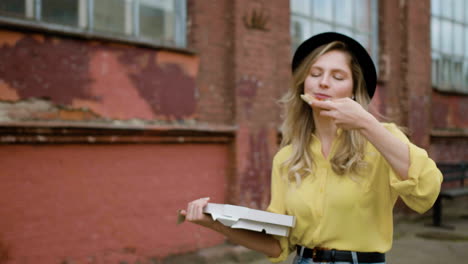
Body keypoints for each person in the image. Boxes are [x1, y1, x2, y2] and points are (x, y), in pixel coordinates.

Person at [180, 32, 443, 264]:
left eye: (337, 76)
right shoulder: (287, 157)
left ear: (354, 90)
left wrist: (366, 123)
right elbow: (277, 245)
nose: (323, 82)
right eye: (315, 74)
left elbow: (426, 192)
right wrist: (215, 223)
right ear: (303, 85)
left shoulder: (380, 139)